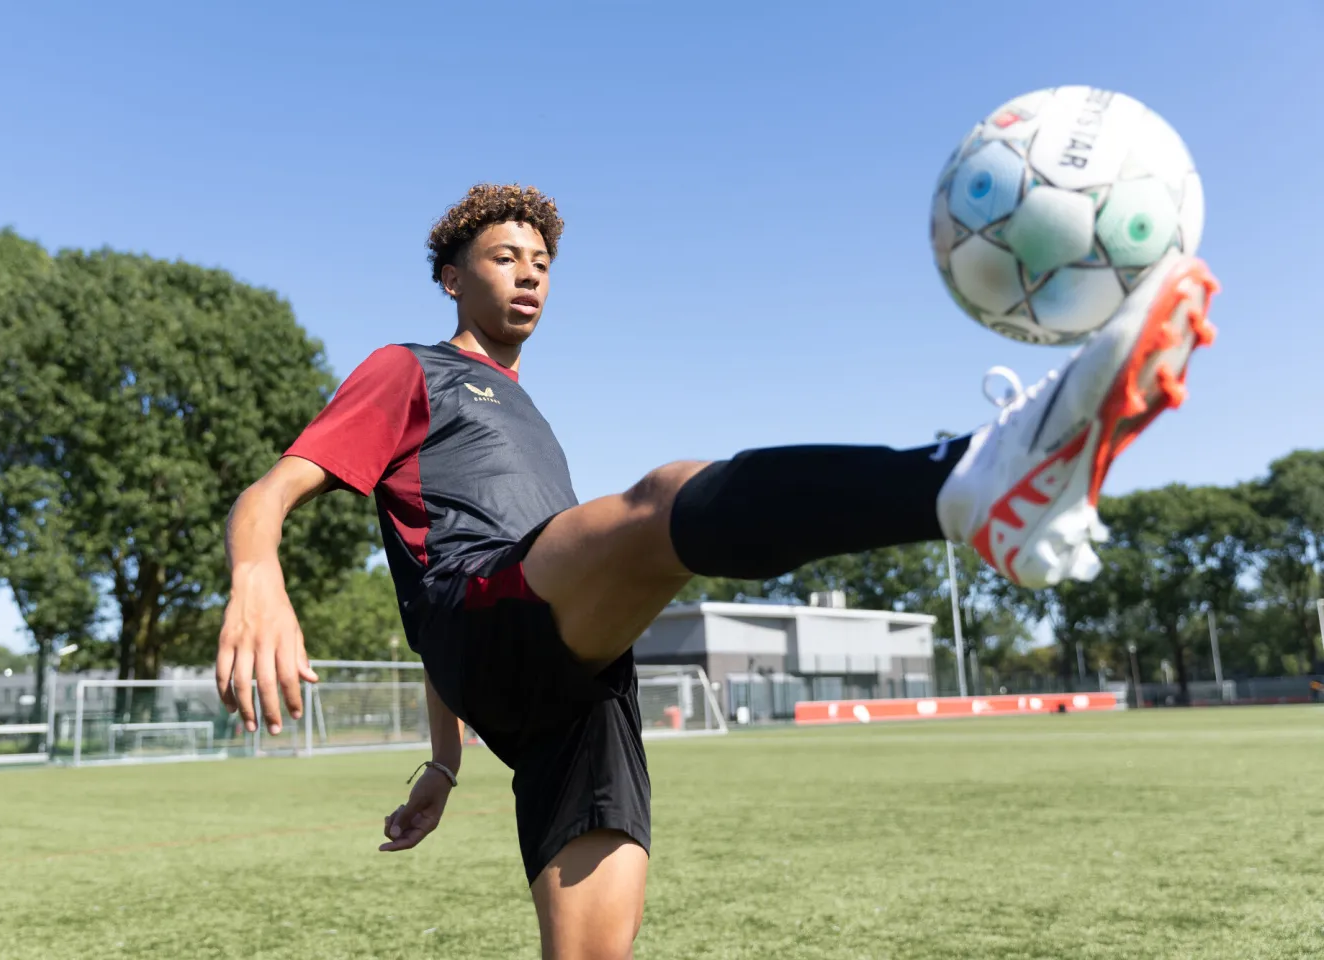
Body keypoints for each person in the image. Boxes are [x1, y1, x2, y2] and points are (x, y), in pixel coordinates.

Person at [215, 183, 1217, 959]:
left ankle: (978, 485)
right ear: (450, 277)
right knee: (662, 502)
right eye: (503, 256)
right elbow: (277, 498)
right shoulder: (411, 369)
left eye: (543, 261)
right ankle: (962, 479)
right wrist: (256, 571)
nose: (529, 273)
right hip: (490, 610)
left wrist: (444, 763)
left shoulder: (529, 414)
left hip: (571, 693)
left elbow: (426, 572)